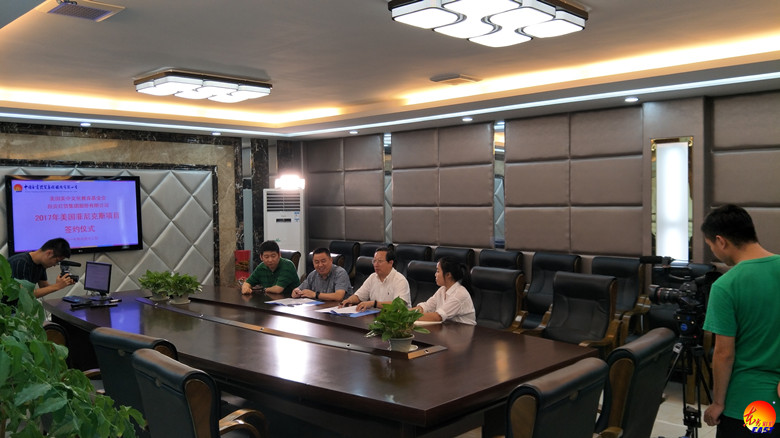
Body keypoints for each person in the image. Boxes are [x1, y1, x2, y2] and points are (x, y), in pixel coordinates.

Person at [701, 204, 780, 437]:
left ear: (721, 241)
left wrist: (718, 403)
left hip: (748, 404)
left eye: (711, 246)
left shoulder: (725, 286)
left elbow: (724, 353)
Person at [340, 247, 410, 311]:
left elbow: (398, 305)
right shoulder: (372, 277)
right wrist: (349, 300)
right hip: (375, 316)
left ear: (390, 263)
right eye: (374, 261)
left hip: (395, 318)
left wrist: (374, 304)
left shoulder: (400, 280)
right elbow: (359, 296)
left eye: (380, 261)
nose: (376, 265)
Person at [411, 257, 476, 325]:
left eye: (438, 271)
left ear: (448, 275)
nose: (435, 274)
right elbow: (426, 307)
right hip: (449, 328)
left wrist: (409, 317)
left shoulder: (460, 294)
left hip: (465, 330)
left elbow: (438, 317)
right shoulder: (442, 289)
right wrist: (406, 313)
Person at [7, 237, 75, 299]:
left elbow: (44, 287)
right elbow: (24, 295)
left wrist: (63, 283)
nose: (55, 265)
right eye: (57, 261)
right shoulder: (21, 262)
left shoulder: (41, 264)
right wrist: (57, 286)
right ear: (49, 253)